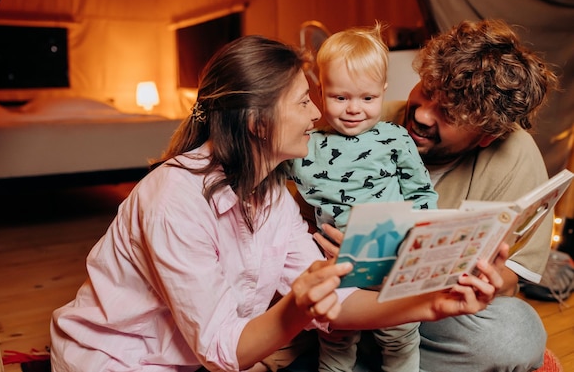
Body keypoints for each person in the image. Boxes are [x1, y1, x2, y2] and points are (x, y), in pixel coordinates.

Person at [49, 34, 505, 372]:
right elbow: (224, 351)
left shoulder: (272, 197)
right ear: (258, 123)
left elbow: (340, 303)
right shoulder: (174, 199)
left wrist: (435, 302)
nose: (316, 114)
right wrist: (294, 309)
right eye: (306, 101)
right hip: (116, 361)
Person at [313, 19, 559, 372]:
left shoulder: (514, 154)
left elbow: (508, 283)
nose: (423, 114)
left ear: (486, 136)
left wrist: (490, 283)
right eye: (427, 90)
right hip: (336, 295)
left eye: (448, 113)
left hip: (425, 312)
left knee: (516, 333)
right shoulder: (363, 117)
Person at [288, 25, 438, 372]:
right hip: (333, 264)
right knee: (335, 340)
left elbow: (420, 192)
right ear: (321, 90)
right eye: (341, 98)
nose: (354, 109)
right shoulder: (304, 146)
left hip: (391, 260)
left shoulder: (395, 138)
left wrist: (419, 245)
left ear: (383, 92)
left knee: (399, 339)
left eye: (368, 98)